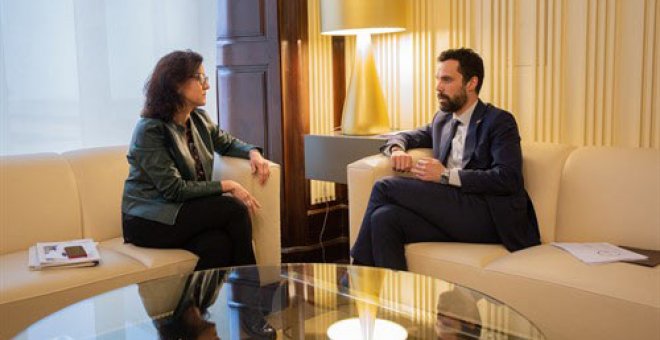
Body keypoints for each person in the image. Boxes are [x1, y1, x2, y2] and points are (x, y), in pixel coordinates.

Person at [350, 48, 540, 270]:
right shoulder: (443, 120)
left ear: (471, 83)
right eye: (438, 79)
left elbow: (509, 178)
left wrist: (446, 175)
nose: (438, 87)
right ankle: (392, 301)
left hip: (487, 214)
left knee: (385, 187)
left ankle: (354, 274)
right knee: (384, 218)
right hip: (452, 211)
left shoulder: (499, 122)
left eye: (447, 80)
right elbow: (407, 136)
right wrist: (396, 149)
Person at [122, 50, 271, 270]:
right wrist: (227, 185)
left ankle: (193, 306)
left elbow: (227, 143)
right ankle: (252, 295)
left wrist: (252, 152)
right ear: (176, 84)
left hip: (179, 212)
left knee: (217, 245)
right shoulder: (150, 130)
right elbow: (174, 190)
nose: (207, 85)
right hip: (147, 219)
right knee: (234, 209)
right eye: (200, 78)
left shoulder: (199, 119)